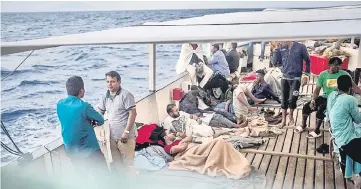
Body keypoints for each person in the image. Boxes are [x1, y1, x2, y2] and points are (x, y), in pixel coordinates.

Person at [295, 57, 361, 138]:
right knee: (306, 107)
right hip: (325, 97)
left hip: (337, 99)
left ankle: (317, 130)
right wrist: (313, 100)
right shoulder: (323, 74)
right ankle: (303, 125)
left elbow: (355, 87)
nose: (337, 67)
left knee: (321, 109)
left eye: (339, 65)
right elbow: (317, 90)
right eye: (335, 65)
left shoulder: (344, 74)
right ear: (329, 65)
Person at [57, 76, 108, 175]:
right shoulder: (84, 106)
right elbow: (100, 120)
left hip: (71, 151)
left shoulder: (59, 105)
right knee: (104, 176)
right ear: (81, 90)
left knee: (82, 178)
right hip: (89, 150)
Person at [97, 71, 137, 172]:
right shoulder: (104, 96)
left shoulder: (126, 95)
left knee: (128, 165)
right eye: (107, 81)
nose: (109, 84)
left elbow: (133, 113)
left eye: (113, 81)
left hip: (125, 137)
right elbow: (100, 112)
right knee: (117, 165)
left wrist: (126, 132)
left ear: (119, 82)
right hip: (112, 137)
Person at [326, 75, 361, 166]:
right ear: (350, 87)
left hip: (337, 136)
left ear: (337, 86)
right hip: (347, 140)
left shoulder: (333, 96)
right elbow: (358, 120)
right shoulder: (350, 99)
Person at [275, 41, 311, 127]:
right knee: (283, 99)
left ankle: (291, 115)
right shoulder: (281, 48)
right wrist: (276, 51)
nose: (279, 42)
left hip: (296, 78)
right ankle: (283, 119)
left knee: (293, 99)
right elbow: (275, 62)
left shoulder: (301, 47)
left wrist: (306, 75)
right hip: (284, 77)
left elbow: (308, 61)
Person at [162, 104, 238, 138]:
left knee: (216, 117)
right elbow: (167, 134)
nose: (178, 112)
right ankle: (231, 129)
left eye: (177, 110)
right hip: (189, 130)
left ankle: (234, 126)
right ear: (170, 113)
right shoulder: (167, 121)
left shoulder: (181, 113)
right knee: (211, 128)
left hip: (195, 123)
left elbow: (191, 116)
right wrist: (177, 134)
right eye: (175, 111)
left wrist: (197, 119)